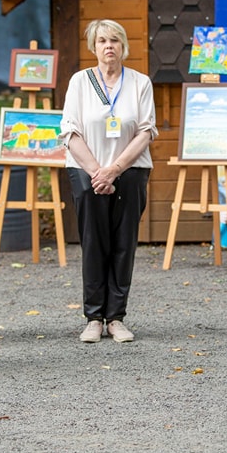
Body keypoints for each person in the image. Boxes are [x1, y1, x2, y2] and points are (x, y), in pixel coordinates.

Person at [60, 19, 158, 344]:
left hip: (129, 171)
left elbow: (145, 131)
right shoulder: (80, 81)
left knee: (123, 244)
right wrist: (97, 172)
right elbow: (70, 131)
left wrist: (114, 169)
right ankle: (93, 318)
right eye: (102, 41)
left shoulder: (140, 83)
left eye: (115, 40)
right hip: (87, 172)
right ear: (94, 46)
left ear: (124, 46)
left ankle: (116, 317)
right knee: (93, 243)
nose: (109, 46)